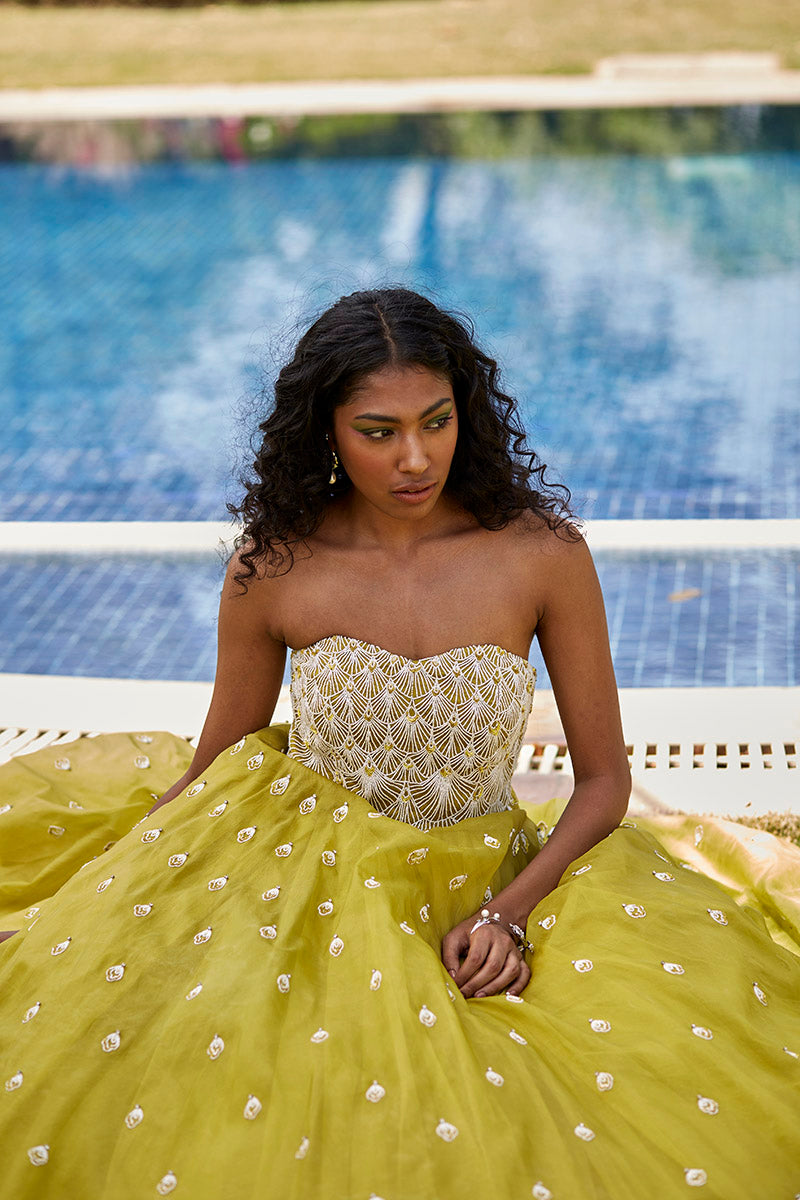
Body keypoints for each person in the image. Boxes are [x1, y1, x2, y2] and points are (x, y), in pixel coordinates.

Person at [0, 287, 798, 1200]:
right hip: (296, 871)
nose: (415, 458)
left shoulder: (541, 554)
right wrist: (129, 881)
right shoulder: (276, 564)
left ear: (467, 411)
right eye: (377, 431)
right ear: (326, 432)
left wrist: (512, 911)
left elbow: (605, 783)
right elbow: (221, 758)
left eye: (436, 420)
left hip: (488, 874)